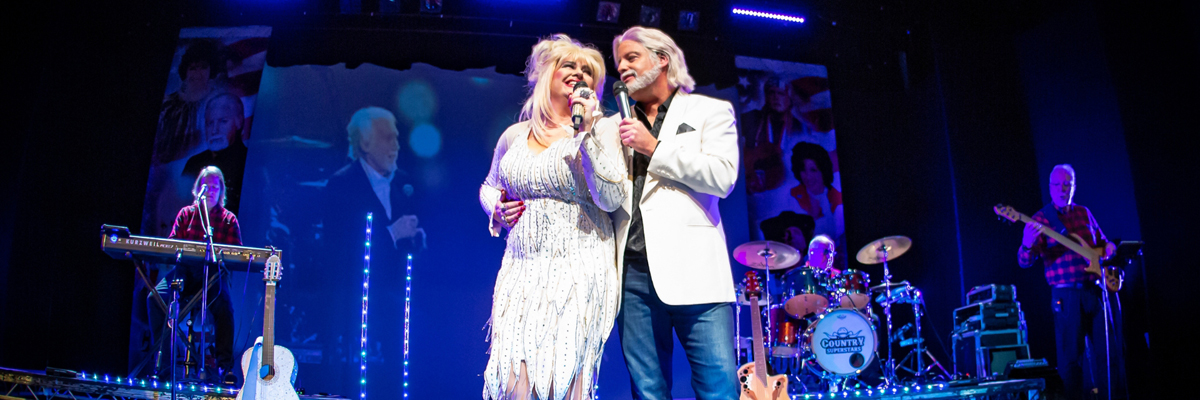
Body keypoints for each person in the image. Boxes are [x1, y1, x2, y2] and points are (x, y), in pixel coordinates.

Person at [479, 34, 626, 400]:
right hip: (521, 270)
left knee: (563, 382)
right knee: (515, 383)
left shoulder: (604, 129)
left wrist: (585, 135)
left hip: (578, 271)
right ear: (546, 73)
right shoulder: (514, 135)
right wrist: (496, 207)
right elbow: (488, 185)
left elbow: (611, 197)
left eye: (588, 72)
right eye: (570, 65)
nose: (579, 74)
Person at [609, 26, 741, 400]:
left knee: (718, 388)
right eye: (619, 62)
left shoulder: (709, 111)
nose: (622, 67)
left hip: (696, 270)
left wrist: (655, 147)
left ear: (662, 59)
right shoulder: (614, 125)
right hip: (633, 274)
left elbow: (722, 177)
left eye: (631, 57)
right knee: (648, 390)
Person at [321, 106, 423, 397]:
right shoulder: (341, 183)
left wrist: (418, 236)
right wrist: (392, 232)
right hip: (355, 294)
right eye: (387, 139)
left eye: (396, 139)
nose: (396, 146)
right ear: (364, 144)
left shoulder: (405, 182)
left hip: (398, 291)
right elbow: (338, 243)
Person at [1018, 164, 1125, 400]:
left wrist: (1108, 248)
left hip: (1095, 292)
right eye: (1057, 184)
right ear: (1050, 187)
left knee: (1109, 356)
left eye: (1068, 184)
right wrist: (1026, 242)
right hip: (1065, 297)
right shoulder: (1041, 218)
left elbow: (1104, 243)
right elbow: (1024, 261)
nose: (1062, 189)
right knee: (1070, 361)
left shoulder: (1084, 213)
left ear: (1074, 186)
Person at [147, 166, 240, 383]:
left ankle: (224, 368)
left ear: (221, 191)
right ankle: (164, 366)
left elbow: (237, 255)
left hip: (214, 276)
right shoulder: (186, 215)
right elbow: (171, 248)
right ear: (198, 188)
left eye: (216, 187)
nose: (211, 191)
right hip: (184, 271)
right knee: (155, 300)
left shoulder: (228, 220)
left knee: (225, 307)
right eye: (207, 186)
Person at [156, 40, 220, 165]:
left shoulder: (219, 102)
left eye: (203, 67)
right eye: (193, 68)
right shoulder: (168, 104)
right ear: (185, 71)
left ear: (211, 70)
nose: (198, 73)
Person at [183, 93, 249, 213]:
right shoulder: (193, 163)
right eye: (210, 123)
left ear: (239, 121)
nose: (214, 130)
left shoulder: (249, 163)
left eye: (223, 121)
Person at [741, 77, 804, 194]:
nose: (776, 97)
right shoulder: (753, 118)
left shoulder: (799, 127)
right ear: (766, 97)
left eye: (781, 93)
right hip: (753, 187)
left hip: (788, 189)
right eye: (772, 93)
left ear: (789, 99)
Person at [789, 141, 845, 266]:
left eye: (813, 170)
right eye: (803, 170)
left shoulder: (837, 202)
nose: (808, 176)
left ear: (823, 171)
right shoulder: (792, 198)